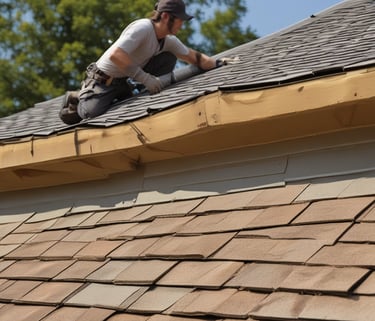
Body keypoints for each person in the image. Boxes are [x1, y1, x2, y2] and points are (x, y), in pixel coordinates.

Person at [59, 0, 222, 125]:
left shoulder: (168, 41)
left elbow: (194, 57)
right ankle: (77, 98)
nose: (182, 24)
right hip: (102, 81)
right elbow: (116, 55)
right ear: (165, 16)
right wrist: (145, 78)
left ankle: (140, 91)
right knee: (91, 113)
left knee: (169, 56)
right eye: (179, 19)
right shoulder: (143, 28)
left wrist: (218, 63)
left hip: (123, 81)